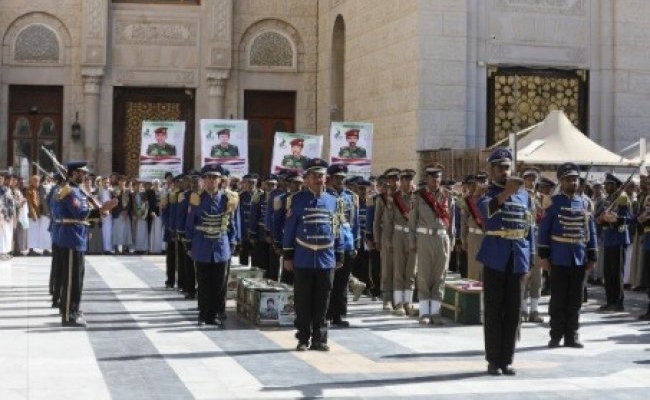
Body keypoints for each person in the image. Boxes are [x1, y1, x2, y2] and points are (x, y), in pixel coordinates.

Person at [476, 148, 534, 376]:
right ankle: (493, 360)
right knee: (493, 310)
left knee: (513, 311)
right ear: (491, 171)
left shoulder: (525, 195)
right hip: (495, 257)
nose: (504, 171)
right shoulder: (487, 193)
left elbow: (529, 228)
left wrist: (530, 259)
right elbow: (485, 213)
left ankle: (507, 359)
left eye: (507, 167)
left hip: (518, 257)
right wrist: (505, 194)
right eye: (499, 167)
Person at [282, 158, 344, 351]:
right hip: (303, 257)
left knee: (323, 300)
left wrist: (340, 252)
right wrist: (288, 256)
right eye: (314, 176)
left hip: (326, 258)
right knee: (303, 301)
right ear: (307, 179)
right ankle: (303, 338)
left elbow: (338, 228)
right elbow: (290, 229)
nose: (318, 179)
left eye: (321, 175)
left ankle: (320, 338)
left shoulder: (334, 201)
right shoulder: (297, 200)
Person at [538, 162, 597, 348]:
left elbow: (591, 230)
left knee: (576, 299)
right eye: (569, 180)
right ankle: (555, 335)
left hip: (579, 257)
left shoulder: (585, 202)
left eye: (575, 179)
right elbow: (544, 231)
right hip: (559, 256)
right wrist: (544, 256)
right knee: (558, 299)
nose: (573, 183)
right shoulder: (553, 203)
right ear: (561, 182)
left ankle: (572, 335)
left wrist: (592, 254)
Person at [57, 161, 117, 326]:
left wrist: (99, 212)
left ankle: (73, 309)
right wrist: (102, 209)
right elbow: (80, 212)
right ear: (74, 173)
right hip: (70, 237)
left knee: (78, 278)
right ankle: (68, 315)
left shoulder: (78, 191)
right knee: (71, 279)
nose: (85, 176)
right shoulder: (68, 191)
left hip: (78, 236)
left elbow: (85, 214)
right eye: (82, 173)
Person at [185, 164, 239, 326]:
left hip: (221, 245)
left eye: (214, 178)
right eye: (208, 177)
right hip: (202, 245)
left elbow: (231, 223)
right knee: (203, 283)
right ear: (204, 180)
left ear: (220, 180)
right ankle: (203, 314)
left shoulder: (227, 198)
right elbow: (190, 222)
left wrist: (233, 242)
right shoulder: (196, 198)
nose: (211, 181)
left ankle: (215, 314)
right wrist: (188, 244)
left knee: (219, 284)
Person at [409, 164, 455, 325]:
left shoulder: (448, 196)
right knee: (423, 274)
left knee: (440, 275)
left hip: (442, 238)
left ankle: (435, 312)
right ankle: (424, 312)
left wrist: (452, 240)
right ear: (427, 178)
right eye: (431, 177)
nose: (435, 180)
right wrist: (412, 240)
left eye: (437, 177)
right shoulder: (419, 196)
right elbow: (412, 220)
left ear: (440, 178)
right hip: (424, 238)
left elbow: (452, 221)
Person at [325, 163, 360, 327]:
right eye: (337, 178)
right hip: (329, 244)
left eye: (342, 178)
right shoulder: (324, 195)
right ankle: (324, 314)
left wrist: (355, 243)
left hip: (346, 243)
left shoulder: (351, 197)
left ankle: (338, 314)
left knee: (342, 282)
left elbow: (355, 221)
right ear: (330, 179)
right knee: (327, 282)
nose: (340, 181)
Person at [595, 173, 633, 312]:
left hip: (619, 238)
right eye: (606, 184)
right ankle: (610, 300)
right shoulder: (609, 199)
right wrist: (601, 219)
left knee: (616, 273)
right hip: (609, 239)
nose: (607, 186)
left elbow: (627, 218)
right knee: (608, 273)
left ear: (617, 185)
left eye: (610, 184)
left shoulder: (622, 198)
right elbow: (599, 216)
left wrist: (613, 219)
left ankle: (618, 302)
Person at [391, 169, 417, 316]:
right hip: (399, 234)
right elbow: (388, 221)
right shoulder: (394, 198)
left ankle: (409, 302)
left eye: (410, 179)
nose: (407, 182)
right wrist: (388, 240)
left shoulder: (418, 197)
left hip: (413, 234)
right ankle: (399, 303)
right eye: (404, 179)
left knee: (411, 271)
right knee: (399, 270)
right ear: (400, 181)